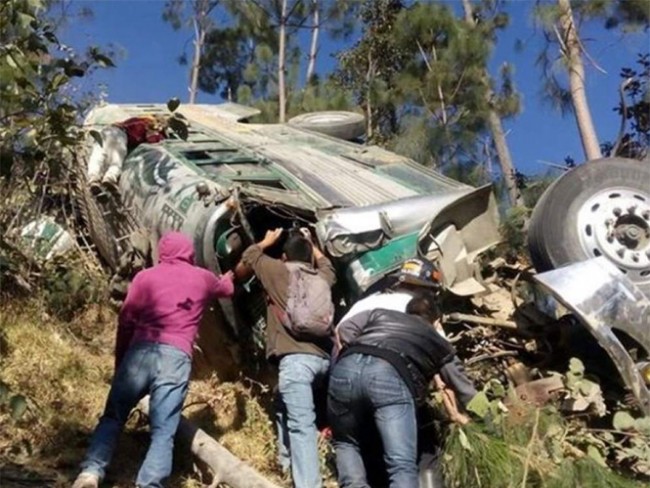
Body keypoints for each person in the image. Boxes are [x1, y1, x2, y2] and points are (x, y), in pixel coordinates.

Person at [72, 232, 234, 488]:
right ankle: (149, 484)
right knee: (163, 432)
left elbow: (125, 321)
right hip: (176, 357)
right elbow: (227, 289)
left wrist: (120, 364)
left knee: (113, 415)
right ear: (188, 252)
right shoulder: (201, 278)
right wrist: (231, 273)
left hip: (140, 352)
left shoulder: (144, 277)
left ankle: (91, 473)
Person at [328, 293, 476, 488]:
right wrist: (480, 417)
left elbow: (345, 327)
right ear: (437, 321)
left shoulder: (379, 314)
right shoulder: (437, 340)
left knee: (347, 443)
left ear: (407, 312)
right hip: (388, 378)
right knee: (401, 464)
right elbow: (460, 384)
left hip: (345, 370)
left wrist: (359, 347)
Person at [236, 227, 336, 488]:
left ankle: (307, 484)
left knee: (302, 426)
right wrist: (312, 243)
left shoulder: (278, 271)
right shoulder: (322, 277)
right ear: (309, 258)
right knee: (282, 404)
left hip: (295, 363)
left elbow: (249, 256)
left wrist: (266, 240)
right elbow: (328, 265)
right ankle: (285, 463)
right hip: (323, 361)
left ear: (284, 256)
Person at [87, 115, 169, 193]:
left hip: (105, 131)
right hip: (119, 134)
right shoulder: (150, 124)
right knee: (117, 159)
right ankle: (109, 179)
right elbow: (152, 140)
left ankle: (93, 179)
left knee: (99, 155)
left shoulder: (140, 119)